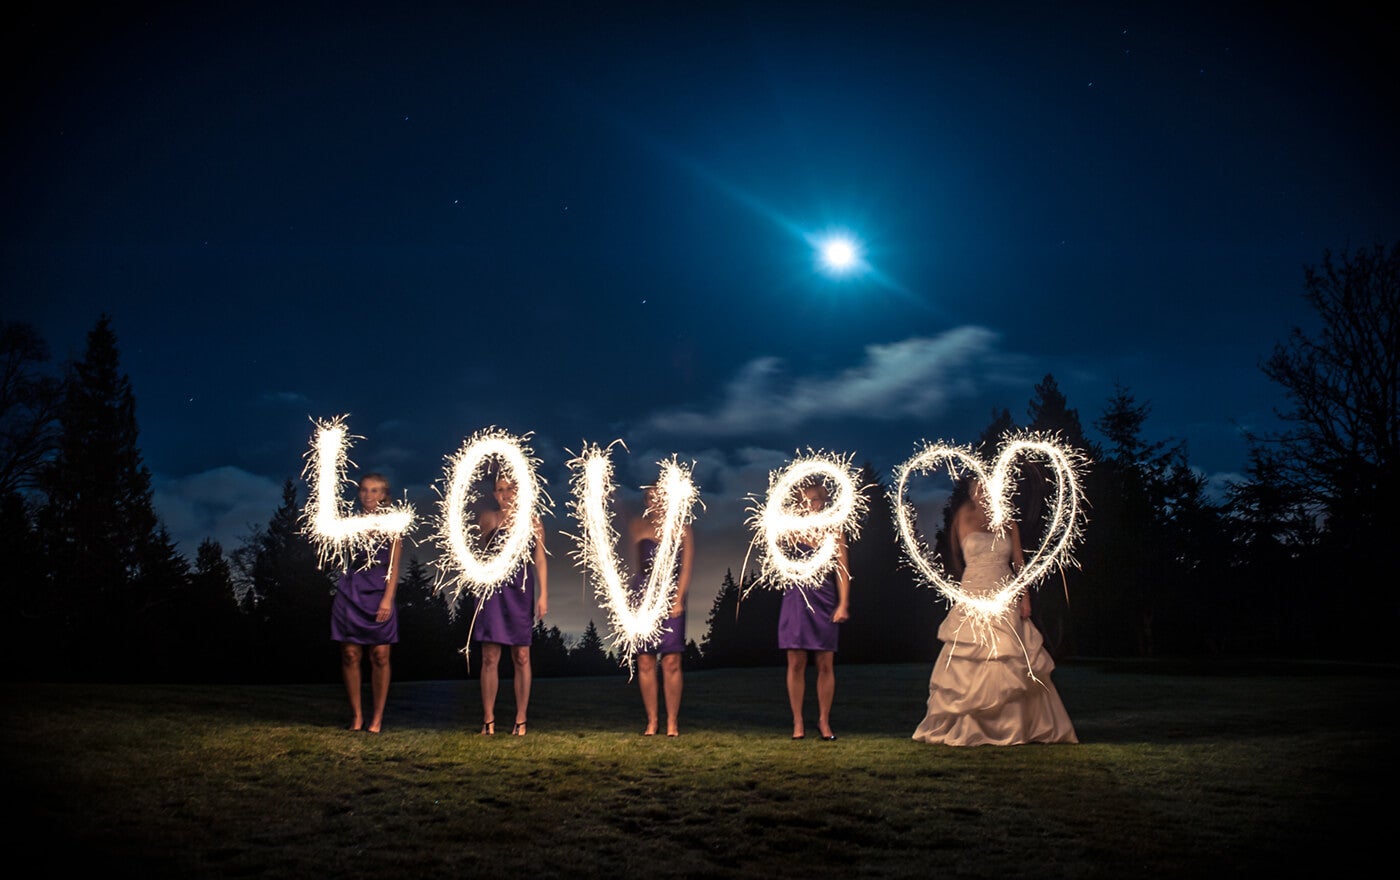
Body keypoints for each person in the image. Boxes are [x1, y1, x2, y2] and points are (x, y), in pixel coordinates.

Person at [912, 477, 1077, 746]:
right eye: (977, 490)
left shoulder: (1008, 522)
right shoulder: (963, 518)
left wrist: (1026, 598)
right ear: (970, 493)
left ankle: (1016, 726)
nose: (982, 494)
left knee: (1009, 655)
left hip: (1005, 592)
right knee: (974, 653)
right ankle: (973, 724)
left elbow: (1019, 563)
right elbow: (962, 556)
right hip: (975, 591)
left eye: (986, 489)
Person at [474, 473, 548, 736]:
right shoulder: (487, 519)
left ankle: (521, 718)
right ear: (494, 494)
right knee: (490, 656)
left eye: (511, 488)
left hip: (521, 590)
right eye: (500, 489)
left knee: (522, 655)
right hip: (492, 591)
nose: (506, 494)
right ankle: (488, 720)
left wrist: (543, 595)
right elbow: (476, 557)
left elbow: (539, 559)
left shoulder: (533, 522)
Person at [330, 473, 404, 734]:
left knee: (380, 656)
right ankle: (357, 716)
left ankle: (377, 719)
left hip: (379, 594)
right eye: (364, 490)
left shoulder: (393, 526)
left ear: (384, 495)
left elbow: (394, 567)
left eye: (374, 491)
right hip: (351, 593)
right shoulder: (350, 525)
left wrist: (387, 598)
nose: (368, 495)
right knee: (350, 654)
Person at [777, 480, 850, 741]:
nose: (812, 505)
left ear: (823, 502)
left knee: (825, 662)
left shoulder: (834, 530)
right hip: (796, 596)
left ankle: (823, 721)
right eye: (807, 500)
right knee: (796, 661)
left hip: (824, 598)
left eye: (816, 500)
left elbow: (842, 570)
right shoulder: (790, 529)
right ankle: (797, 721)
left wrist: (843, 603)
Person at [630, 485, 694, 737]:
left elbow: (686, 569)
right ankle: (652, 721)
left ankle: (672, 723)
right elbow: (635, 565)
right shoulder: (638, 527)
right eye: (650, 499)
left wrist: (678, 599)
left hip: (672, 597)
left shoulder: (683, 529)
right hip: (644, 596)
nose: (656, 503)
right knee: (645, 660)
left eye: (660, 498)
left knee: (671, 661)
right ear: (646, 502)